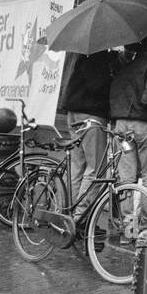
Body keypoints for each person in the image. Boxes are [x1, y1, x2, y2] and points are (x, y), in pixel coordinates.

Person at [109, 30, 147, 234]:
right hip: (143, 125)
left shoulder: (127, 66)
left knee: (126, 177)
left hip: (121, 126)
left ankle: (127, 227)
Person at [59, 49, 116, 198]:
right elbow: (97, 85)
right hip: (90, 114)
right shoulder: (98, 55)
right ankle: (81, 214)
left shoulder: (80, 53)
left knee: (77, 166)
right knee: (95, 168)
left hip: (74, 112)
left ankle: (66, 210)